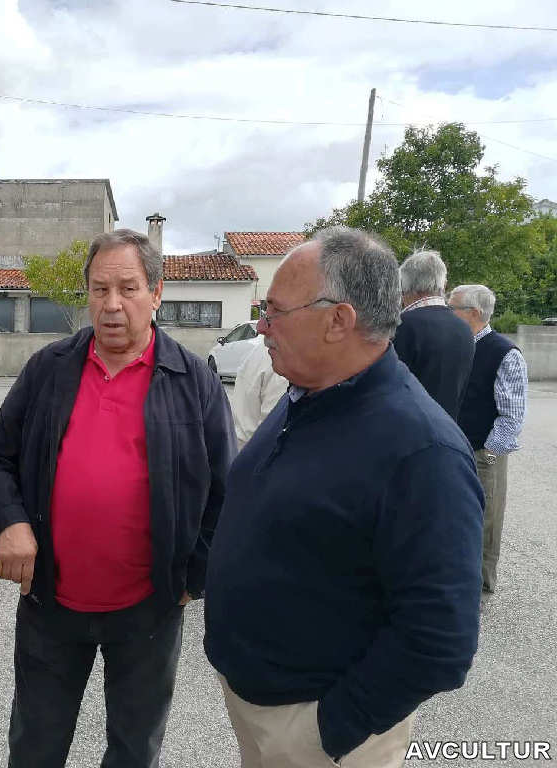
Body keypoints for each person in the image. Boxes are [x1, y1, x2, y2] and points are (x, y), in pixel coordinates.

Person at [205, 227, 483, 768]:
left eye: (275, 312)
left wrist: (331, 729)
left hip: (317, 731)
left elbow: (440, 637)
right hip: (259, 702)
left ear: (339, 320)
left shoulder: (422, 451)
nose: (261, 326)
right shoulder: (309, 394)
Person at [0, 229, 235, 768]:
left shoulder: (193, 381)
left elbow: (225, 491)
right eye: (99, 289)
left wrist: (193, 579)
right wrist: (10, 522)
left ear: (156, 293)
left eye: (128, 288)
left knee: (135, 750)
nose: (112, 304)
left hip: (149, 608)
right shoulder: (49, 369)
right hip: (52, 603)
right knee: (35, 746)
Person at [450, 284, 528, 593]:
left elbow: (512, 416)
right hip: (455, 447)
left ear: (473, 313)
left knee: (485, 519)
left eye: (452, 308)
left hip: (484, 451)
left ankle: (481, 585)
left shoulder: (505, 353)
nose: (447, 313)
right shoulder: (456, 345)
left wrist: (489, 454)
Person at [393, 249, 475, 419]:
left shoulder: (400, 326)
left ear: (403, 284)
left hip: (406, 427)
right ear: (443, 284)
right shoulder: (465, 329)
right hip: (447, 426)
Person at [229, 341, 287, 447]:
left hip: (242, 442)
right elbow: (273, 429)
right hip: (258, 448)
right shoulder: (284, 358)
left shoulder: (258, 352)